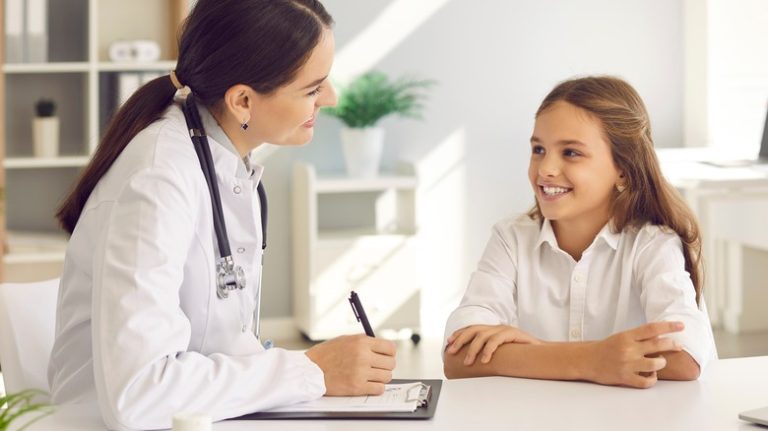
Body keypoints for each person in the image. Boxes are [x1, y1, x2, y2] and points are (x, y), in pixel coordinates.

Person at [48, 1, 396, 429]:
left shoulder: (224, 164)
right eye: (312, 88)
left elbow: (220, 345)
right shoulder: (159, 177)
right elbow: (139, 394)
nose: (331, 98)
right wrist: (311, 370)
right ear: (243, 101)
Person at [443, 76, 716, 388]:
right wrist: (594, 359)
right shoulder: (511, 238)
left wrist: (533, 353)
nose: (545, 168)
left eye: (570, 153)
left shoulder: (652, 243)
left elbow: (686, 358)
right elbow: (457, 356)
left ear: (623, 171)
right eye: (538, 149)